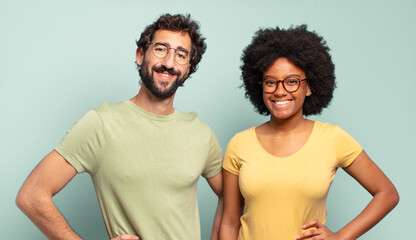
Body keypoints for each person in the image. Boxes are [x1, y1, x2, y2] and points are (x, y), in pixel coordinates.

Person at [16, 13, 223, 240]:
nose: (169, 62)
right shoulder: (102, 124)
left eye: (181, 55)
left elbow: (233, 198)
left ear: (189, 68)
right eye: (161, 49)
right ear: (140, 55)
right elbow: (31, 195)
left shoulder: (201, 134)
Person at [219, 25, 399, 240]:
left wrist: (341, 236)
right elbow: (229, 223)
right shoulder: (240, 144)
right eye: (270, 82)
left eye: (292, 81)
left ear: (309, 87)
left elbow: (387, 194)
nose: (280, 90)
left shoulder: (333, 139)